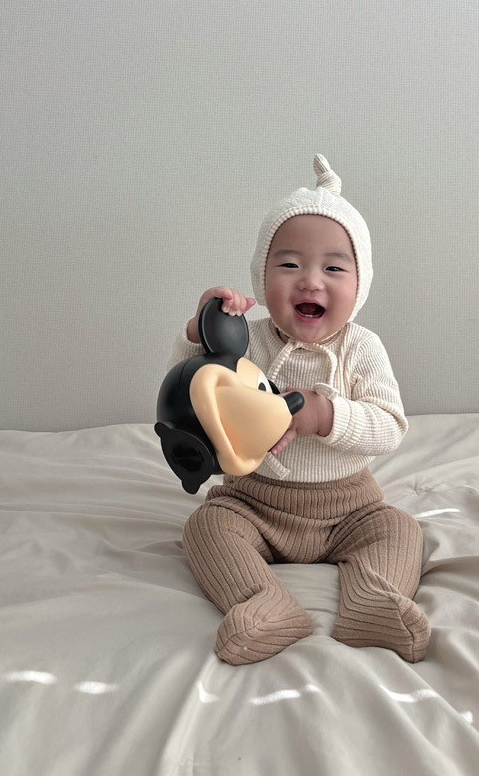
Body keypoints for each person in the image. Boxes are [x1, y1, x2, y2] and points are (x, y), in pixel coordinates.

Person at [169, 155, 430, 665]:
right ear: (261, 276)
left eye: (334, 267)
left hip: (350, 508)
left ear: (360, 284)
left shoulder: (362, 347)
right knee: (205, 527)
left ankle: (374, 599)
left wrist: (326, 415)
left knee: (400, 530)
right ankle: (263, 602)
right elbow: (194, 391)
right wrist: (199, 335)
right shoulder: (249, 340)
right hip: (253, 501)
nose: (311, 281)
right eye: (289, 265)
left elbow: (390, 426)